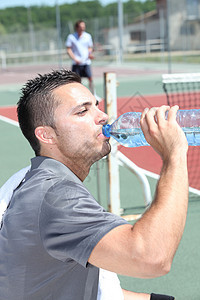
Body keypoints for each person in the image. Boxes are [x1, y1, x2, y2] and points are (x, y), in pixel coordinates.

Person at [0, 69, 189, 300]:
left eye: (97, 106)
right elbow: (152, 257)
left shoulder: (29, 180)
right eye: (82, 111)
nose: (103, 116)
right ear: (46, 135)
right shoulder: (56, 195)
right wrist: (175, 155)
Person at [66, 20, 94, 93]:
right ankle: (76, 95)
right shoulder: (71, 37)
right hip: (76, 63)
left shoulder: (88, 36)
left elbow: (90, 47)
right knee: (75, 81)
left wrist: (89, 54)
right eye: (81, 27)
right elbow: (68, 49)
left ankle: (93, 94)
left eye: (84, 27)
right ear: (77, 27)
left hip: (86, 62)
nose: (82, 28)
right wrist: (75, 59)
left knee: (90, 78)